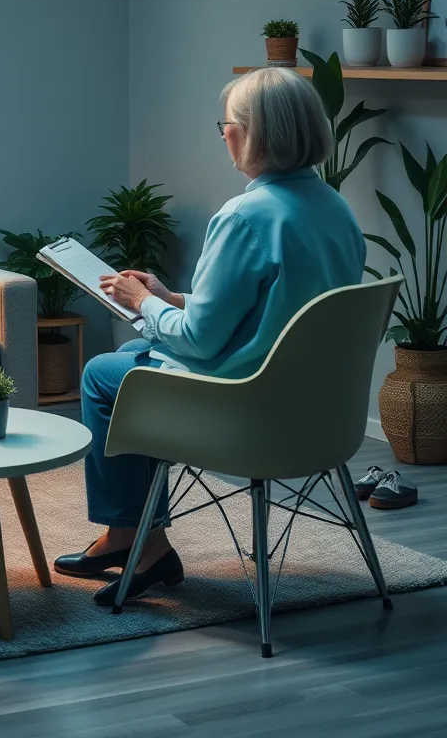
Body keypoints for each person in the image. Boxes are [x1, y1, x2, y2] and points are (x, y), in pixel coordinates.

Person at [54, 68, 366, 606]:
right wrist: (171, 298)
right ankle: (133, 537)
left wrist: (140, 302)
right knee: (134, 353)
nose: (223, 132)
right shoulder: (334, 208)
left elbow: (199, 342)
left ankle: (138, 540)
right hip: (318, 409)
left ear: (252, 132)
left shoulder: (245, 216)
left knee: (103, 373)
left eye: (226, 123)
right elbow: (275, 308)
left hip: (249, 410)